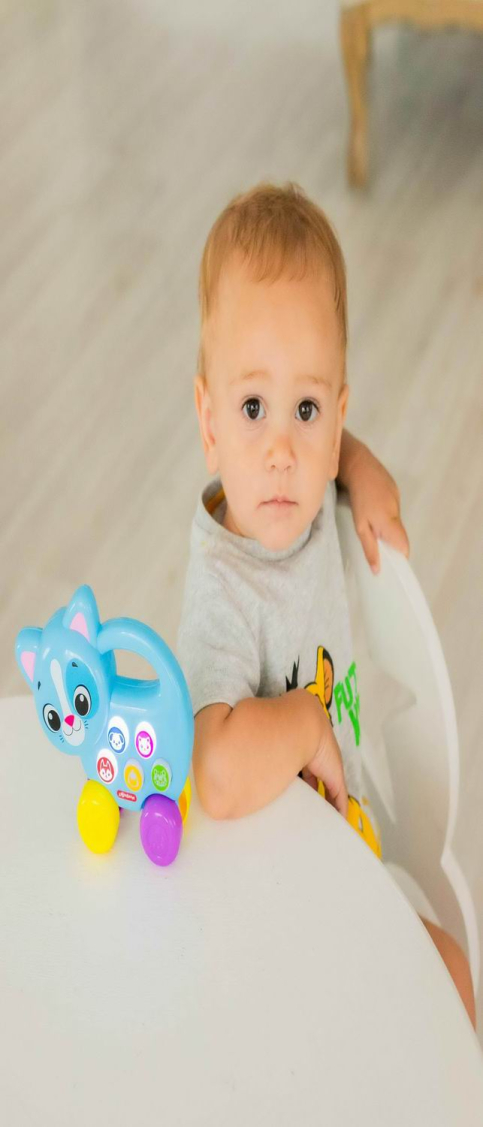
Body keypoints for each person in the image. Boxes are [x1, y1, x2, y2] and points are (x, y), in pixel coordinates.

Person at [176, 181, 476, 1031]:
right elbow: (215, 773)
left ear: (337, 412)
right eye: (251, 408)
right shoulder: (224, 586)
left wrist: (359, 465)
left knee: (454, 974)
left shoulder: (301, 489)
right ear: (208, 422)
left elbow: (316, 447)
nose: (281, 449)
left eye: (306, 409)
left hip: (337, 850)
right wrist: (306, 721)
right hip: (263, 900)